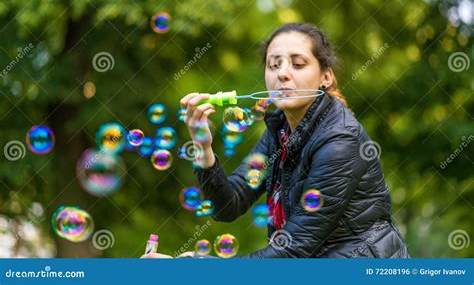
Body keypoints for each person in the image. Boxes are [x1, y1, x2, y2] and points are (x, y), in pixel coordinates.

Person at [143, 22, 409, 258]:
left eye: (298, 64)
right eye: (274, 64)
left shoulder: (340, 141)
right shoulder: (280, 133)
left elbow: (294, 249)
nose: (282, 73)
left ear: (326, 77)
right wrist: (203, 146)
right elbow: (228, 205)